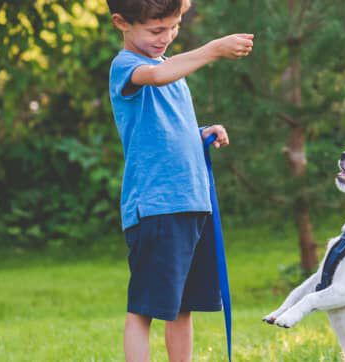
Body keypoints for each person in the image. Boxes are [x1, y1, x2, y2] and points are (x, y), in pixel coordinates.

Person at [106, 0, 253, 360]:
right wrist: (215, 49)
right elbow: (157, 76)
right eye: (157, 30)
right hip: (157, 207)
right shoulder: (127, 66)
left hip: (192, 202)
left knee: (183, 306)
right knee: (144, 308)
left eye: (174, 27)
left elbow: (167, 128)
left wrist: (201, 132)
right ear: (121, 23)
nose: (167, 37)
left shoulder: (170, 69)